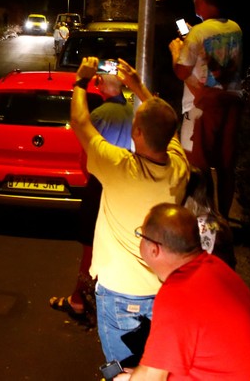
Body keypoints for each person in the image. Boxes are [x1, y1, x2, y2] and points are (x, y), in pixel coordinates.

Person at [70, 56, 190, 367]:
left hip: (121, 294)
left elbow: (80, 123)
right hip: (163, 292)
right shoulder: (179, 169)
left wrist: (81, 81)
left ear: (136, 133)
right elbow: (168, 127)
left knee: (124, 371)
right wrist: (139, 88)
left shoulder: (119, 168)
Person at [113, 203, 250, 379]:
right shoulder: (216, 268)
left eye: (141, 235)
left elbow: (151, 377)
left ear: (154, 249)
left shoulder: (178, 295)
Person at [49, 72, 134, 326]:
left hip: (100, 184)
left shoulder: (99, 116)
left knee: (90, 245)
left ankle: (80, 299)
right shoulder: (133, 112)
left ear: (99, 86)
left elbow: (87, 155)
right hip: (126, 183)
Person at [169, 0, 244, 219]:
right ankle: (223, 217)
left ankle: (203, 219)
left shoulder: (198, 34)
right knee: (225, 165)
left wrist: (176, 51)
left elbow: (181, 71)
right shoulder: (235, 28)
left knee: (197, 165)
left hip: (200, 106)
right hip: (231, 101)